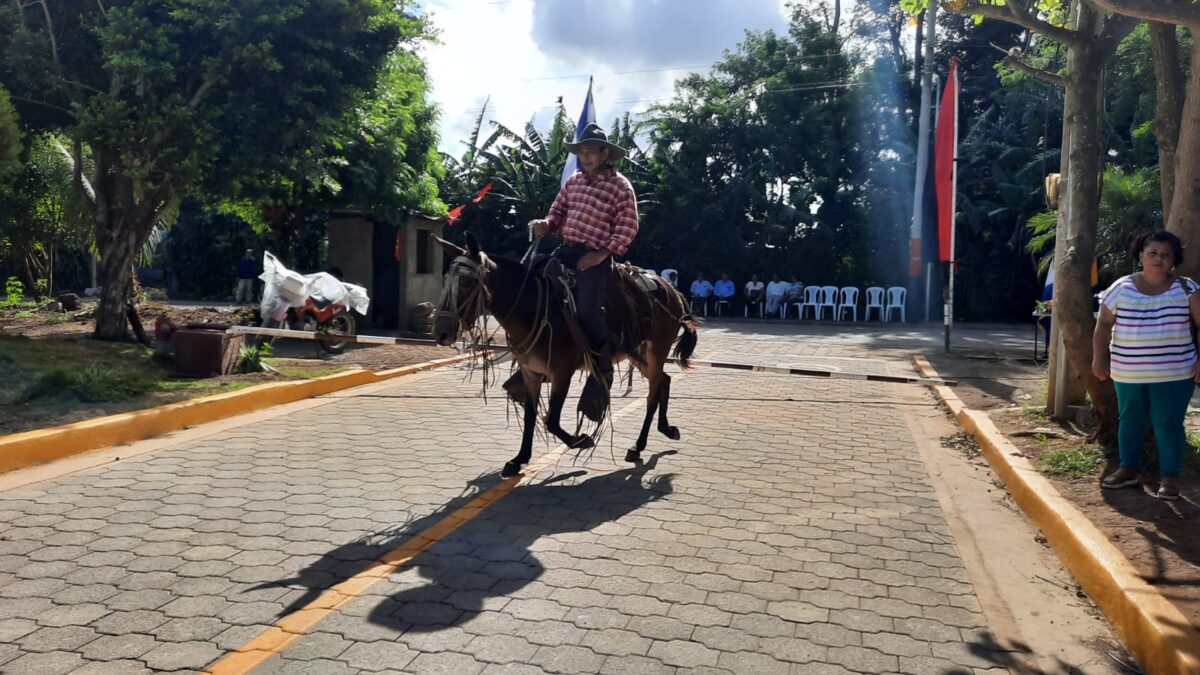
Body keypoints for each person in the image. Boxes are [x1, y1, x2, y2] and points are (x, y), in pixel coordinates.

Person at [530, 123, 638, 420]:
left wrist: (599, 255)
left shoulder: (620, 186)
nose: (585, 156)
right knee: (533, 281)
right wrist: (547, 224)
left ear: (605, 154)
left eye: (591, 151)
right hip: (567, 250)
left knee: (589, 310)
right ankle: (537, 356)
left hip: (597, 256)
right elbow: (557, 211)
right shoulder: (574, 181)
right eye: (582, 151)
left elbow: (628, 226)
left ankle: (602, 371)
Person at [1093, 231, 1200, 501]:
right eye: (1152, 253)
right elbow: (1104, 324)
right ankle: (1127, 469)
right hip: (1127, 372)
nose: (1158, 259)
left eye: (1165, 255)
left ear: (1173, 260)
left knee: (1168, 423)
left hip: (1175, 373)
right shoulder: (1120, 287)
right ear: (1141, 256)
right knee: (1130, 420)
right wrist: (1099, 357)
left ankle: (1170, 478)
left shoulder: (1187, 288)